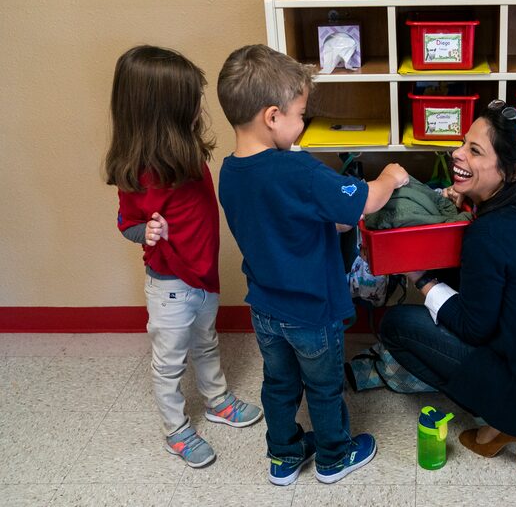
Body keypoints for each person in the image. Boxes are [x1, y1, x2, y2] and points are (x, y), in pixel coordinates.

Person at [216, 45, 409, 485]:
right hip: (313, 313)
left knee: (280, 385)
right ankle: (334, 457)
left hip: (265, 310)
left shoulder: (229, 172)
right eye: (301, 114)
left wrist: (331, 224)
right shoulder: (297, 170)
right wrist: (390, 177)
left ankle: (283, 457)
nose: (303, 125)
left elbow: (283, 221)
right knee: (323, 387)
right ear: (272, 116)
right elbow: (365, 200)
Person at [380, 101, 516, 463]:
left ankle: (502, 419)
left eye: (474, 150)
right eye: (464, 142)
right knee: (457, 289)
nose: (457, 153)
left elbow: (472, 327)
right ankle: (507, 406)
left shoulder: (490, 232)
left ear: (513, 172)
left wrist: (420, 278)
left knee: (397, 325)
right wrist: (468, 197)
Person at [105, 45, 263, 469]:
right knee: (170, 360)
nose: (200, 107)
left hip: (203, 275)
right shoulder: (137, 173)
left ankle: (216, 401)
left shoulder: (190, 152)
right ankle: (176, 430)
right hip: (170, 284)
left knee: (207, 342)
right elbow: (126, 224)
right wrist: (147, 231)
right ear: (162, 113)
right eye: (191, 101)